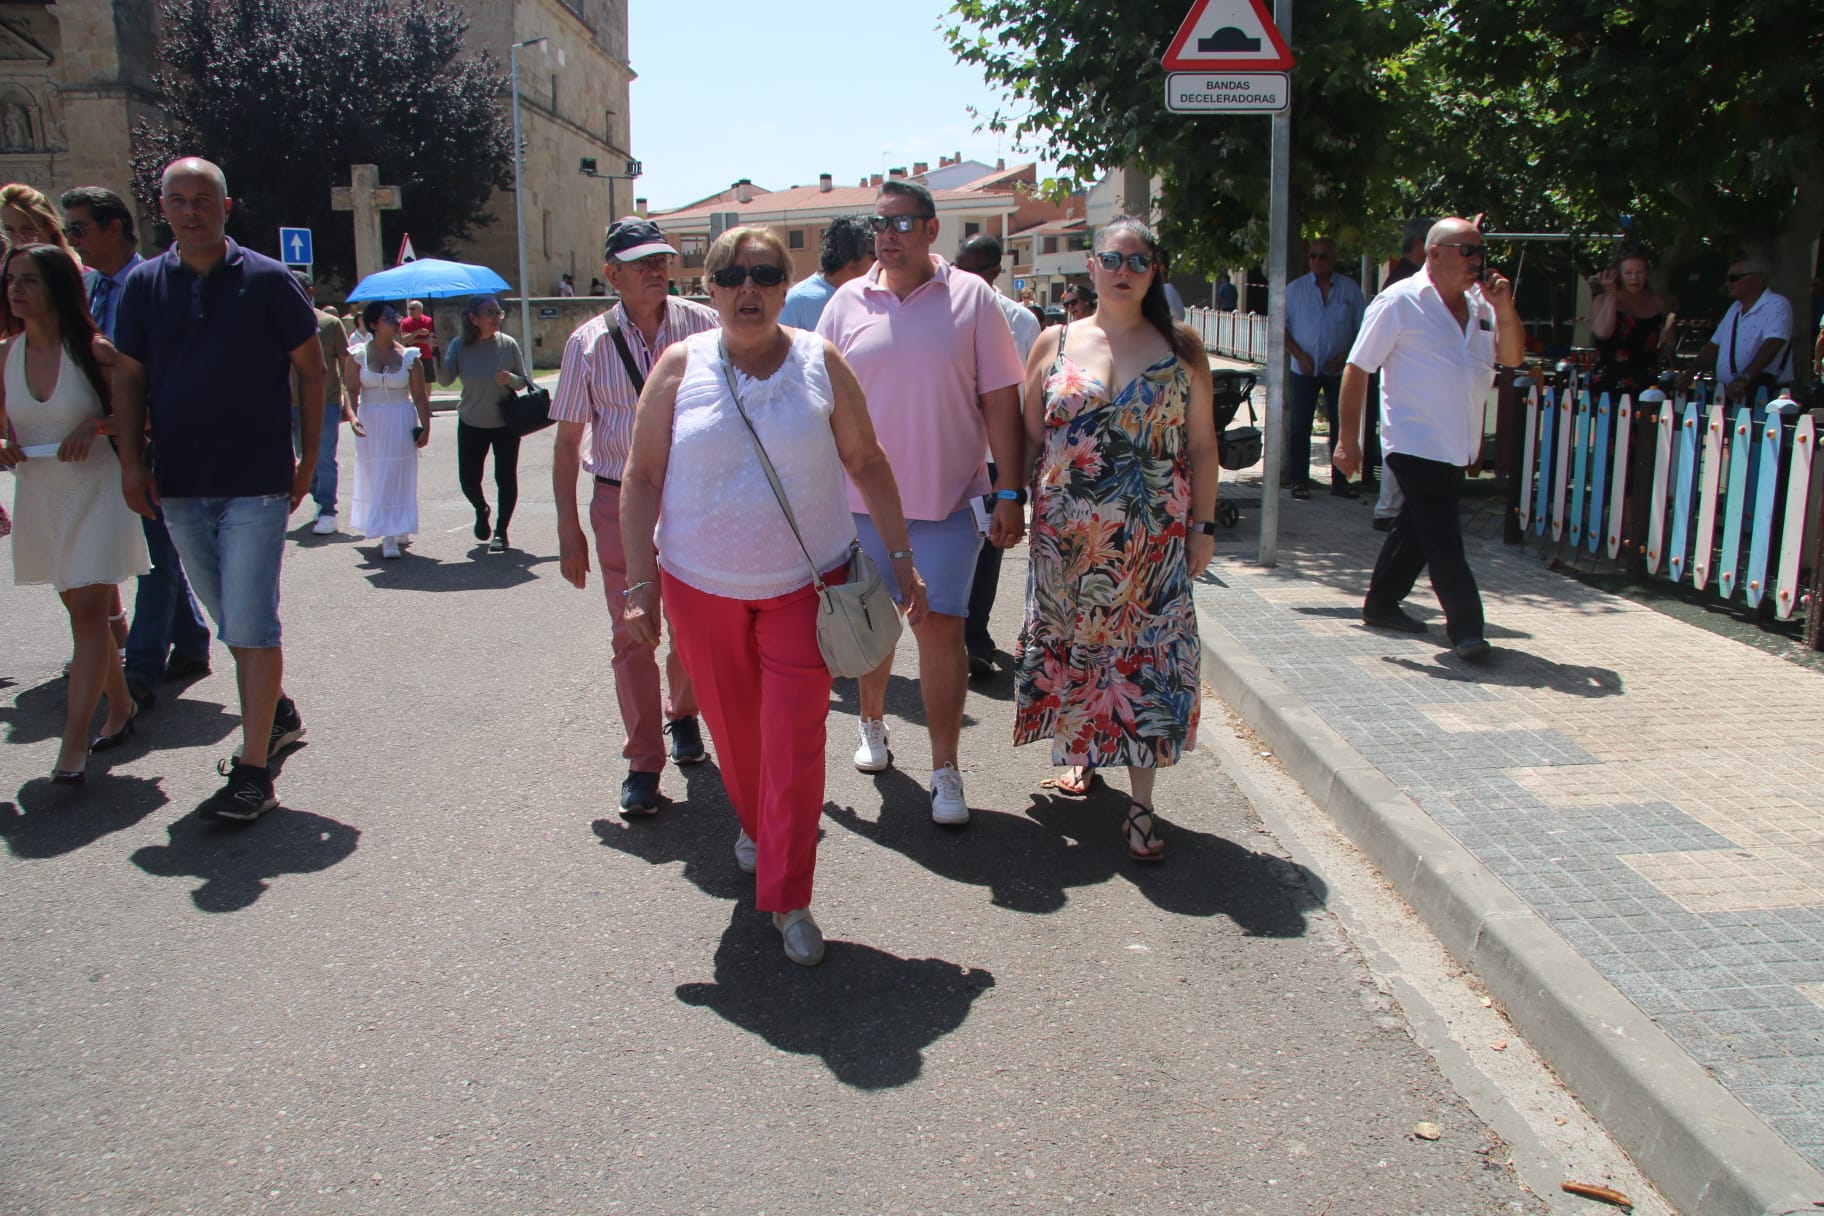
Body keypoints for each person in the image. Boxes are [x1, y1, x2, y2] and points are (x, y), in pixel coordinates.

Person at [620, 226, 928, 966]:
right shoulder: (679, 366)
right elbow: (642, 476)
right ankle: (761, 826)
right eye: (731, 276)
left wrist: (901, 561)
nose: (747, 289)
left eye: (763, 274)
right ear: (711, 288)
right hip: (700, 588)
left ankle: (789, 897)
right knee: (737, 738)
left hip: (807, 587)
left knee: (794, 739)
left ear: (786, 286)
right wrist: (640, 585)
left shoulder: (821, 361)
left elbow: (868, 460)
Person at [112, 156, 325, 821]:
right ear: (163, 208)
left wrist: (308, 459)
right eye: (177, 199)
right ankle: (277, 712)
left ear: (225, 207)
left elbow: (311, 370)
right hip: (178, 483)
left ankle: (253, 773)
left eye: (202, 198)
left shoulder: (267, 280)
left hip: (255, 483)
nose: (190, 210)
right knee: (232, 619)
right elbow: (128, 377)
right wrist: (131, 462)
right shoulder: (144, 285)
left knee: (252, 621)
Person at [815, 178, 1025, 826]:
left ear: (932, 230)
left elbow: (1001, 402)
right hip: (860, 506)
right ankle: (872, 723)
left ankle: (945, 769)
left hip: (949, 503)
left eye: (902, 223)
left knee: (941, 630)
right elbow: (816, 401)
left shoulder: (973, 298)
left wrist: (1011, 491)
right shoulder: (846, 304)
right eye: (879, 224)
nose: (888, 235)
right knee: (872, 625)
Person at [1013, 216, 1219, 858]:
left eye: (1137, 261)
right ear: (1092, 266)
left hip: (1150, 545)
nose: (1123, 271)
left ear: (1154, 271)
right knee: (1078, 650)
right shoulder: (1053, 342)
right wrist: (1011, 503)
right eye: (1112, 259)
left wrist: (1203, 527)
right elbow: (1030, 436)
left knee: (1143, 662)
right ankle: (1082, 755)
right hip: (1066, 545)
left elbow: (1203, 447)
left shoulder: (1182, 349)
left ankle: (1142, 806)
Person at [552, 216, 715, 815]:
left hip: (692, 498)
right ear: (611, 274)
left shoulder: (703, 326)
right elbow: (567, 443)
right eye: (641, 262)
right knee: (632, 632)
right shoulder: (587, 344)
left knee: (694, 623)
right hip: (618, 501)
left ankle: (684, 713)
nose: (655, 270)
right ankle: (643, 761)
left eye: (661, 260)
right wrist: (568, 528)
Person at [1333, 216, 1524, 663]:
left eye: (1481, 251)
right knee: (1443, 535)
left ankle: (1381, 603)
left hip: (1457, 444)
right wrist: (1347, 439)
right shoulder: (1399, 301)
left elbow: (1512, 357)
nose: (1477, 261)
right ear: (1435, 254)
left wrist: (1504, 307)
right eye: (1467, 251)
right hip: (1414, 441)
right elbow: (1357, 368)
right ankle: (1468, 628)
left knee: (1418, 529)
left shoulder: (1481, 305)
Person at [62, 185, 213, 712]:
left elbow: (168, 369)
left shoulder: (156, 285)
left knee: (154, 555)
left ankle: (141, 668)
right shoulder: (84, 289)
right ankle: (190, 641)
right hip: (98, 442)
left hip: (150, 437)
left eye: (79, 229)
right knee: (158, 550)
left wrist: (133, 423)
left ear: (115, 228)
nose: (73, 239)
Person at [0, 242, 148, 783]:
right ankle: (122, 704)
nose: (16, 289)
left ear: (57, 286)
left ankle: (73, 742)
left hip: (95, 494)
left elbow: (143, 411)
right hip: (40, 496)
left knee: (88, 614)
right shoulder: (5, 354)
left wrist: (97, 424)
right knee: (81, 615)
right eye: (11, 279)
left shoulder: (94, 350)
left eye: (29, 279)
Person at [952, 231, 1039, 677]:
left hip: (995, 458)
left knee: (988, 553)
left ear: (997, 271)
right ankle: (953, 637)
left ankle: (975, 639)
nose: (968, 278)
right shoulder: (944, 313)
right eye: (961, 268)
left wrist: (1016, 477)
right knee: (950, 551)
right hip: (951, 455)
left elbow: (1029, 398)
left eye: (978, 270)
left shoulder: (1021, 321)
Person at [437, 294, 529, 553]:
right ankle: (481, 508)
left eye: (499, 312)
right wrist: (434, 353)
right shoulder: (459, 346)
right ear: (473, 318)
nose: (497, 317)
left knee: (505, 478)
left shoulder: (508, 344)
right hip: (471, 421)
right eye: (490, 313)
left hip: (505, 423)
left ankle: (501, 531)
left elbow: (523, 381)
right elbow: (444, 380)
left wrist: (510, 379)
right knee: (468, 479)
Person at [343, 301, 430, 560]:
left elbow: (420, 396)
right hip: (371, 420)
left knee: (396, 473)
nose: (395, 320)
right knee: (377, 473)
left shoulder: (409, 357)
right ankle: (387, 527)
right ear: (373, 324)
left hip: (400, 418)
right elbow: (350, 390)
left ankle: (393, 530)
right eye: (388, 317)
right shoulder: (358, 355)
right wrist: (352, 416)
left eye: (395, 316)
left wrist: (425, 426)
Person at [1284, 237, 1366, 500]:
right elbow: (1279, 328)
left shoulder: (1349, 289)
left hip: (1339, 370)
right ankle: (1299, 481)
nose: (1317, 261)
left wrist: (1347, 354)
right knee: (1300, 426)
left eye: (1323, 256)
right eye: (1313, 256)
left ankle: (1340, 481)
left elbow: (1363, 328)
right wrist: (1300, 356)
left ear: (1334, 259)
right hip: (1304, 368)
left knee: (1341, 426)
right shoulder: (1294, 290)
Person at [1680, 255, 1794, 402]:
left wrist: (1745, 377)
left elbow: (1773, 344)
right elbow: (1713, 346)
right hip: (1732, 393)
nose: (1727, 283)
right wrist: (1689, 373)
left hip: (1763, 393)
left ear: (1756, 278)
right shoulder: (1734, 308)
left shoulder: (1777, 304)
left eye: (1733, 278)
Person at [291, 271, 348, 535]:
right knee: (304, 456)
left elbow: (346, 363)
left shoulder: (330, 324)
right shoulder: (279, 321)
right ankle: (317, 495)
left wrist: (350, 402)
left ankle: (328, 509)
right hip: (292, 403)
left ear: (310, 292)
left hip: (326, 402)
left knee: (324, 455)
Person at [1589, 249, 1676, 401]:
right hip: (1609, 384)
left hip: (1646, 383)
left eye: (1640, 272)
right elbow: (1603, 333)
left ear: (1647, 274)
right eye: (1628, 273)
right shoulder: (1602, 300)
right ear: (1618, 275)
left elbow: (1664, 350)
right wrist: (1611, 294)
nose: (1634, 278)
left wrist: (1667, 339)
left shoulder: (1658, 303)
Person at [779, 214, 873, 330]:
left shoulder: (875, 298)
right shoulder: (797, 301)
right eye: (874, 256)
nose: (880, 263)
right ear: (851, 260)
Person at [399, 298, 437, 371]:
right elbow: (404, 339)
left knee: (428, 377)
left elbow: (430, 340)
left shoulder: (428, 321)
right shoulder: (405, 322)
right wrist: (417, 332)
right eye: (410, 309)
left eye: (413, 309)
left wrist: (415, 340)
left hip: (426, 355)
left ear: (420, 310)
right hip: (410, 357)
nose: (410, 311)